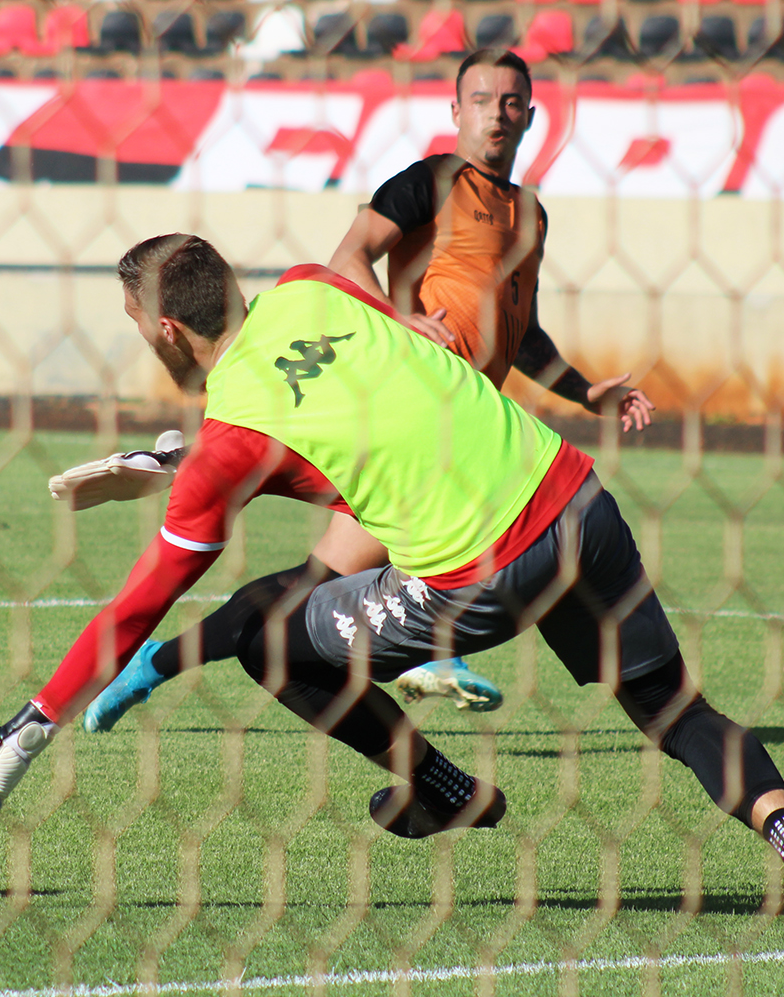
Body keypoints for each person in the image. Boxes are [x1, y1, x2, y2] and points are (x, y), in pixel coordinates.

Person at [0, 234, 784, 936]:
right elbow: (386, 392)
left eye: (138, 328)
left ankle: (440, 785)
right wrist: (173, 458)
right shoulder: (308, 289)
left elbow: (135, 607)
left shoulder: (231, 436)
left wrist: (18, 738)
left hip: (478, 576)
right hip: (573, 500)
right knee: (671, 709)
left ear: (164, 328)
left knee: (260, 628)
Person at [77, 50, 653, 727]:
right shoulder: (433, 181)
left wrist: (585, 392)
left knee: (309, 588)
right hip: (398, 426)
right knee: (310, 590)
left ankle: (164, 660)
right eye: (481, 99)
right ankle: (159, 662)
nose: (497, 113)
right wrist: (398, 318)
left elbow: (517, 329)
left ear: (531, 114)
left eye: (511, 101)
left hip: (462, 442)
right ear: (455, 110)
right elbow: (350, 254)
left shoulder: (530, 213)